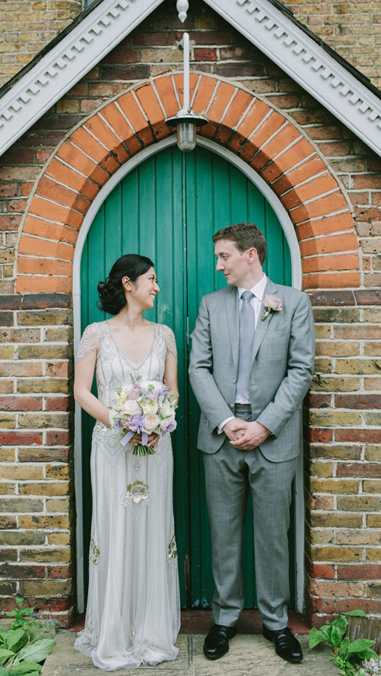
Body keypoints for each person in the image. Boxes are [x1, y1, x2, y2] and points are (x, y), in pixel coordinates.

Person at [189, 223, 315, 664]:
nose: (218, 264)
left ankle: (276, 623)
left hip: (273, 438)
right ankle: (224, 620)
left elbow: (300, 371)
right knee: (223, 533)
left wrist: (264, 425)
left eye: (225, 256)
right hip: (221, 437)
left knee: (273, 536)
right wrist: (226, 421)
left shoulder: (293, 303)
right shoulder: (211, 305)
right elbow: (198, 369)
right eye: (219, 256)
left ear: (251, 256)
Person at [74, 253, 180, 671]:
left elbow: (171, 391)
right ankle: (113, 633)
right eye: (151, 280)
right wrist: (123, 423)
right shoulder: (96, 334)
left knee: (154, 529)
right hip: (112, 447)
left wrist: (158, 421)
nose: (156, 287)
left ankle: (151, 632)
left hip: (156, 447)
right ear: (128, 284)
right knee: (114, 529)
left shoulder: (166, 335)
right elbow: (83, 391)